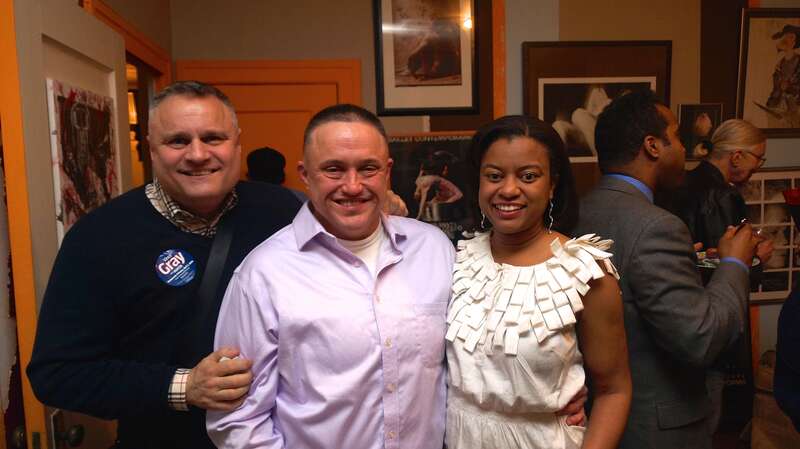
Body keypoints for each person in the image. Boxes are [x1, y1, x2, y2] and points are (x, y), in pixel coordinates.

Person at [206, 106, 589, 448]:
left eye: (367, 168)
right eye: (334, 169)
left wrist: (551, 391)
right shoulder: (263, 274)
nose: (353, 185)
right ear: (306, 175)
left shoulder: (435, 250)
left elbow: (483, 342)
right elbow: (238, 419)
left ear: (387, 172)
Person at [26, 81, 303, 449]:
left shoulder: (283, 212)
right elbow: (57, 374)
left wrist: (383, 215)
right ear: (151, 149)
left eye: (214, 138)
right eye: (178, 141)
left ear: (237, 144)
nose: (198, 154)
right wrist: (183, 386)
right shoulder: (99, 238)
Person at [574, 90, 759, 448]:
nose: (682, 149)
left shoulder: (581, 212)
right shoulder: (657, 227)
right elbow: (700, 338)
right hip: (657, 428)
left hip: (601, 419)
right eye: (674, 136)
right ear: (653, 146)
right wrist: (735, 263)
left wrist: (685, 265)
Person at [445, 116, 631, 449]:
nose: (509, 189)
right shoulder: (457, 259)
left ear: (553, 184)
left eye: (528, 176)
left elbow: (613, 391)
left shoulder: (585, 271)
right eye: (494, 176)